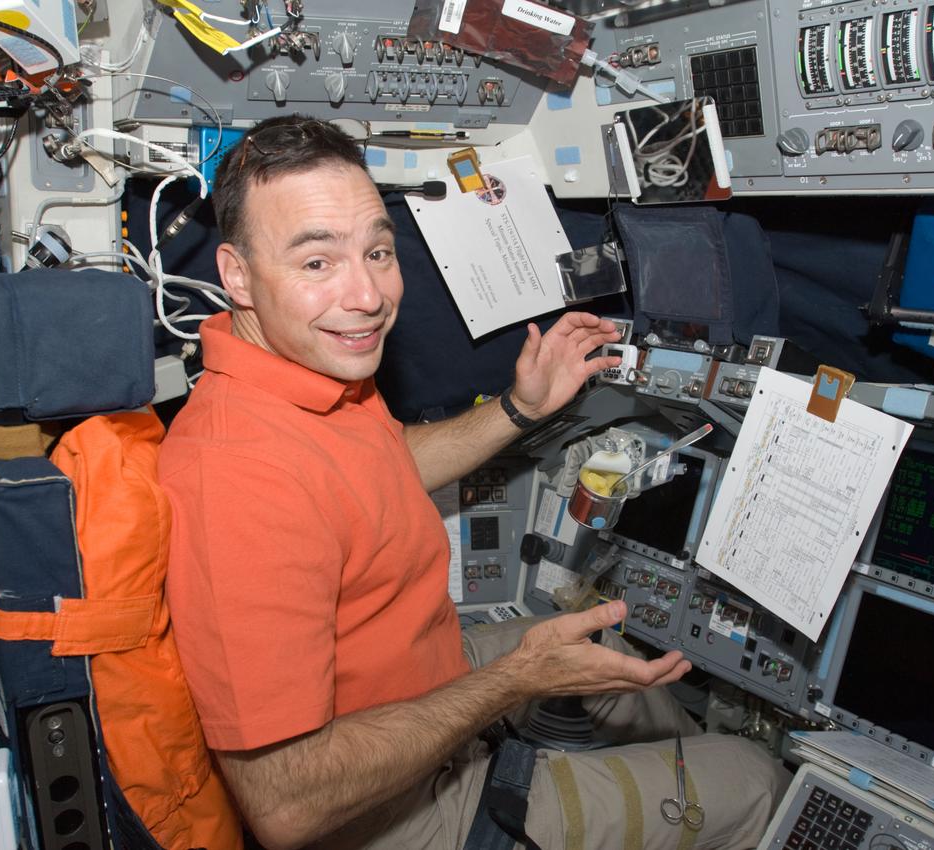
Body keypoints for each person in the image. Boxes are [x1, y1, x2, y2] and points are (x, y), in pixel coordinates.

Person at [159, 115, 786, 850]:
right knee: (753, 779)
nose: (367, 297)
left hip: (427, 674)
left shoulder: (300, 373)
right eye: (317, 263)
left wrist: (521, 408)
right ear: (236, 274)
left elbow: (380, 469)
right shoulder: (236, 477)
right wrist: (512, 681)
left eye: (378, 251)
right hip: (403, 814)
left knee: (625, 673)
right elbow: (287, 803)